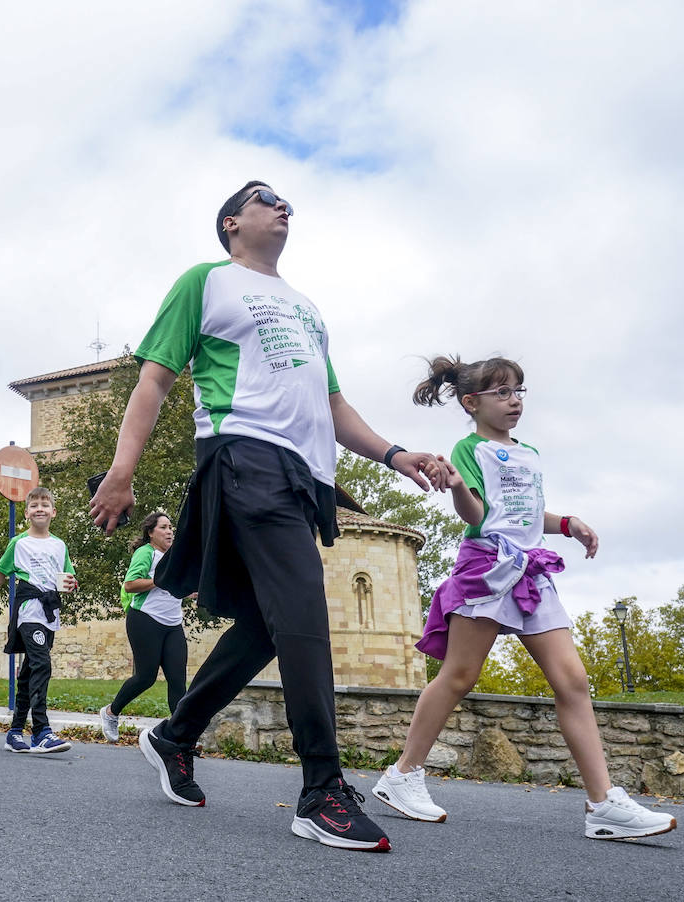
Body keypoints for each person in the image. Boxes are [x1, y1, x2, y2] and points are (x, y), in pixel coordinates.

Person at [89, 180, 449, 852]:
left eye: (286, 202)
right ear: (232, 223)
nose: (283, 206)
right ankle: (321, 790)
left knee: (264, 625)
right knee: (306, 612)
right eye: (265, 199)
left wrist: (395, 453)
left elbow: (334, 406)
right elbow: (154, 379)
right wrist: (121, 471)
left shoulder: (308, 309)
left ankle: (174, 734)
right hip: (243, 456)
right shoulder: (207, 281)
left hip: (304, 477)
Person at [370, 355, 677, 841]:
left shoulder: (529, 453)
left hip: (531, 569)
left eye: (519, 391)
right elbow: (477, 513)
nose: (514, 400)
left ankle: (603, 805)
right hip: (487, 567)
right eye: (503, 392)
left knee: (572, 679)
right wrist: (454, 487)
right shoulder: (469, 448)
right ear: (472, 402)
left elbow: (527, 516)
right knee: (459, 675)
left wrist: (567, 523)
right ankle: (402, 775)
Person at [0, 486, 76, 754]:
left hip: (50, 614)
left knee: (29, 673)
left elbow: (68, 576)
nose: (39, 508)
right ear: (27, 513)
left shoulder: (59, 545)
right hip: (29, 611)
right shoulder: (18, 544)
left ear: (53, 511)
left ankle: (15, 732)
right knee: (42, 664)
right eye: (34, 505)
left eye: (45, 504)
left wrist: (72, 583)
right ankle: (42, 731)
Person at [100, 512, 189, 741]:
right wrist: (160, 580)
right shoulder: (146, 553)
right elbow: (130, 584)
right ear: (151, 533)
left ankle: (180, 736)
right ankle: (111, 712)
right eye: (163, 527)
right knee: (146, 677)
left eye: (171, 527)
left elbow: (177, 588)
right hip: (145, 619)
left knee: (178, 680)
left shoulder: (176, 557)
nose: (169, 531)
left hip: (173, 623)